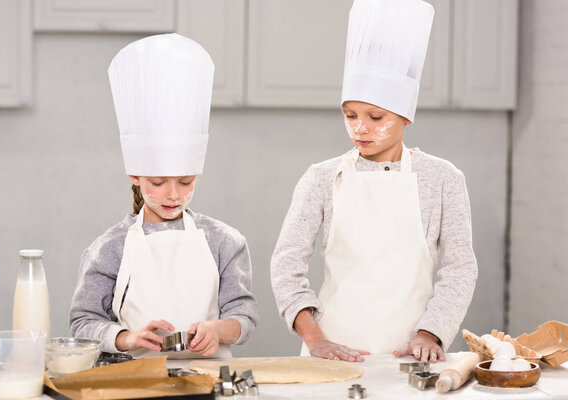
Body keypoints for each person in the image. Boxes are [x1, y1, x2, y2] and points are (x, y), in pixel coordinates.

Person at [271, 0, 477, 363]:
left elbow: (461, 267)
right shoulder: (322, 178)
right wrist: (315, 339)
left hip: (411, 355)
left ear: (406, 117)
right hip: (330, 354)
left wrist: (431, 332)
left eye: (375, 116)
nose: (360, 128)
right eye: (350, 115)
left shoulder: (443, 178)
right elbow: (285, 265)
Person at [70, 34, 258, 359]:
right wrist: (126, 338)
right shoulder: (108, 248)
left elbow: (244, 315)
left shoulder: (225, 242)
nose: (173, 195)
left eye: (185, 182)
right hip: (134, 382)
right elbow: (83, 322)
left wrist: (218, 330)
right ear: (134, 176)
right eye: (157, 182)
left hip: (209, 377)